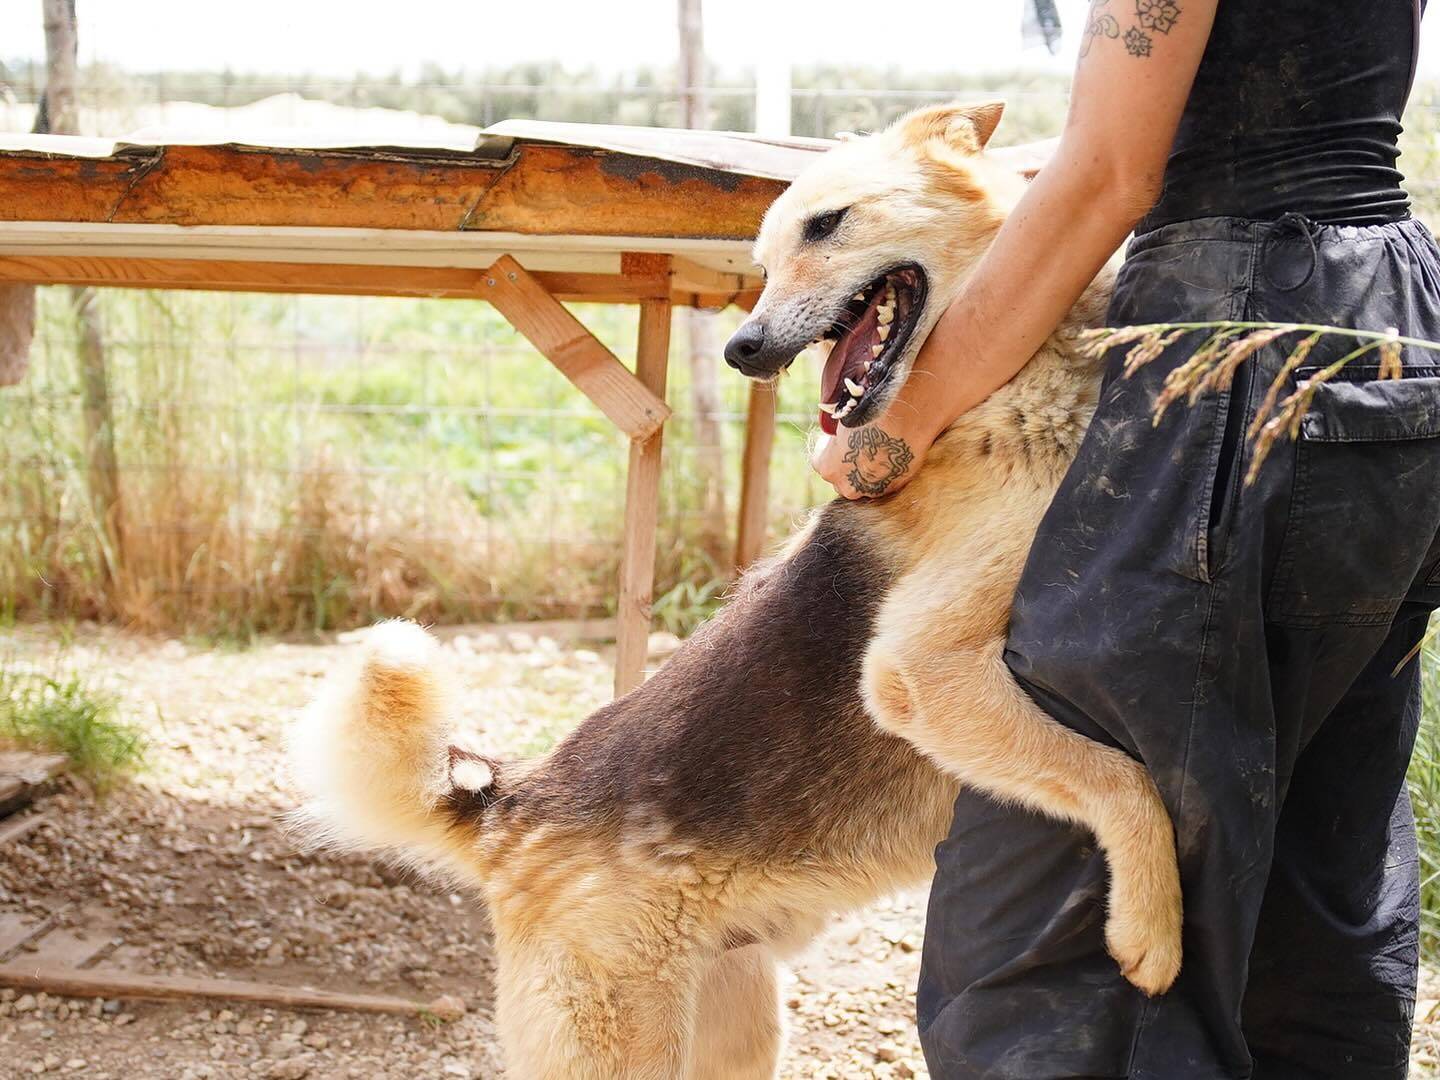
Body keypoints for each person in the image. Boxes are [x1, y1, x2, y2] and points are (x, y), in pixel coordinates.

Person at [811, 1, 1440, 1076]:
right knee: (1315, 854)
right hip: (1389, 314)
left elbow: (1111, 172)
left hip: (1232, 326)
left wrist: (898, 426)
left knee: (1050, 941)